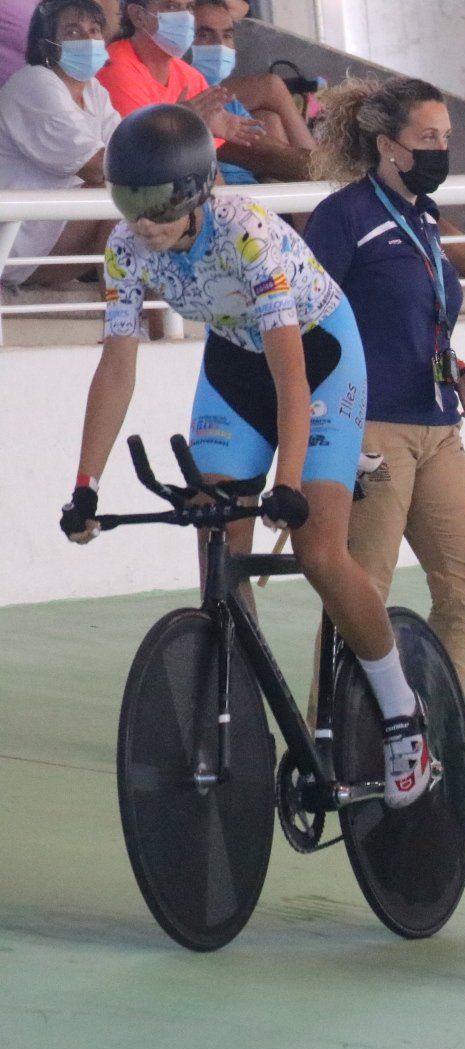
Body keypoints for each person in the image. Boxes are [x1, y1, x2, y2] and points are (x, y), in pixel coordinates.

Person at [58, 104, 435, 807]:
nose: (144, 223)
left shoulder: (247, 234)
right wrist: (86, 484)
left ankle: (401, 711)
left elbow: (291, 376)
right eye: (129, 203)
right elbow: (116, 368)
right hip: (233, 368)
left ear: (198, 191)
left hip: (319, 362)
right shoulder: (124, 249)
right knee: (216, 548)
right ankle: (245, 707)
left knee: (321, 550)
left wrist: (287, 484)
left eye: (158, 206)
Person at [303, 77, 465, 809]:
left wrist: (458, 369)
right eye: (429, 139)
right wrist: (319, 439)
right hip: (370, 428)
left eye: (446, 138)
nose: (441, 151)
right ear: (386, 146)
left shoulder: (422, 219)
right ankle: (332, 742)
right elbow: (306, 329)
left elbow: (414, 317)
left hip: (438, 427)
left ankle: (440, 743)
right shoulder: (343, 219)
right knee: (361, 587)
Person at [0, 0, 119, 286]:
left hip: (53, 230)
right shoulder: (34, 82)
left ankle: (138, 319)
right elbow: (96, 168)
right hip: (14, 239)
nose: (89, 39)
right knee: (127, 197)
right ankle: (125, 321)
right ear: (47, 44)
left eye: (94, 30)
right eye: (74, 32)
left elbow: (126, 147)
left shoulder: (94, 90)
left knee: (154, 196)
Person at [96, 0, 261, 148]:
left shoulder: (190, 76)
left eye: (189, 7)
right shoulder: (116, 69)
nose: (185, 17)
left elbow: (208, 168)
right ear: (138, 16)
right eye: (171, 6)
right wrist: (177, 124)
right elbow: (140, 155)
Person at [188, 0, 311, 183]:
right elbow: (269, 157)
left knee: (269, 120)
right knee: (271, 86)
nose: (219, 45)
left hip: (256, 204)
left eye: (227, 36)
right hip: (230, 205)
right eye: (204, 35)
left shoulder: (228, 101)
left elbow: (240, 7)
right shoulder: (179, 98)